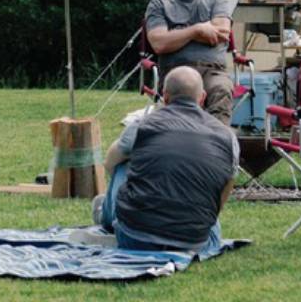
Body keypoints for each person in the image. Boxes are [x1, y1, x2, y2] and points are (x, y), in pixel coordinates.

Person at [97, 66, 239, 252]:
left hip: (134, 237)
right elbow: (225, 190)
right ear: (202, 97)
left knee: (123, 164)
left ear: (164, 95)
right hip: (196, 242)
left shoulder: (142, 126)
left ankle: (105, 214)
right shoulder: (228, 137)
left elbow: (110, 163)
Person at [144, 0, 234, 124]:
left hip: (213, 72)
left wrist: (176, 34)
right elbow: (160, 44)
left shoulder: (217, 0)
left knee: (221, 89)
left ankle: (217, 146)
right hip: (176, 71)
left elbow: (222, 33)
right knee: (182, 96)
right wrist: (198, 30)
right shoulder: (159, 5)